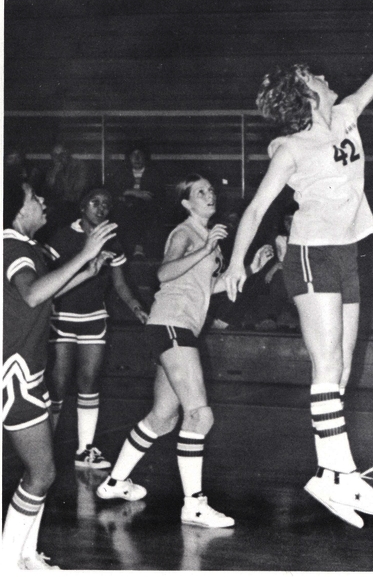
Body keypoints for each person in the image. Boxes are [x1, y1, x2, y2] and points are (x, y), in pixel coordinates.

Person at [223, 15, 373, 528]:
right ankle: (341, 474)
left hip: (348, 252)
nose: (326, 77)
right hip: (311, 254)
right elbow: (258, 209)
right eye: (315, 76)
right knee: (326, 369)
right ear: (306, 93)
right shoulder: (290, 148)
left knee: (342, 371)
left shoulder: (347, 112)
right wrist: (237, 260)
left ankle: (330, 477)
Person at [96, 175, 273, 528]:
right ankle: (193, 505)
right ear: (186, 203)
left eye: (211, 190)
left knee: (163, 417)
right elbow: (164, 274)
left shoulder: (210, 240)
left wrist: (248, 272)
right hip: (171, 325)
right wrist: (205, 249)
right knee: (199, 415)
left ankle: (114, 482)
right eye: (201, 192)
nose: (210, 195)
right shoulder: (185, 233)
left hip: (174, 327)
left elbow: (211, 287)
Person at [3, 178, 117, 570]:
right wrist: (86, 250)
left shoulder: (24, 247)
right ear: (19, 211)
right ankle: (7, 565)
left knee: (41, 474)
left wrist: (87, 271)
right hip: (14, 373)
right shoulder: (13, 246)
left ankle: (26, 556)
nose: (43, 201)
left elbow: (43, 291)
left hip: (24, 370)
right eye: (34, 197)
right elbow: (33, 293)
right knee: (42, 473)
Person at [45, 188, 149, 469]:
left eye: (106, 203)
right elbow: (45, 277)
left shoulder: (112, 239)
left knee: (89, 382)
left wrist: (137, 307)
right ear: (82, 206)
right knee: (57, 384)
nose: (101, 208)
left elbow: (119, 284)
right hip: (62, 317)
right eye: (95, 202)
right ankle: (45, 450)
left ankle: (85, 450)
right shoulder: (63, 236)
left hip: (93, 318)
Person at [108, 143, 165, 258]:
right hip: (125, 206)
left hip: (147, 208)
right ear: (129, 158)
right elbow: (112, 190)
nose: (137, 158)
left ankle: (137, 248)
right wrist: (132, 192)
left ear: (145, 157)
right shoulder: (122, 172)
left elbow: (157, 195)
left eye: (140, 154)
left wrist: (138, 196)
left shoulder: (153, 173)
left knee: (139, 209)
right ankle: (133, 248)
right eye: (134, 155)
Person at [43, 142, 91, 235]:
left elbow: (76, 194)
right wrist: (54, 174)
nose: (58, 158)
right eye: (55, 155)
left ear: (68, 154)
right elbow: (47, 191)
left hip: (76, 207)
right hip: (57, 209)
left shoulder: (79, 166)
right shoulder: (51, 169)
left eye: (62, 154)